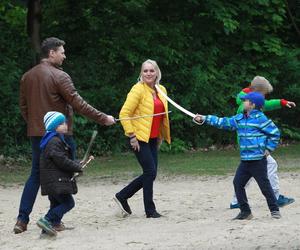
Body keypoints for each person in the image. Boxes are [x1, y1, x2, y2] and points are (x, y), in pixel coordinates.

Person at [14, 37, 115, 234]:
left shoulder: (27, 76)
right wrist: (103, 118)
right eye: (61, 52)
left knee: (36, 174)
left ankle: (21, 220)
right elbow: (79, 104)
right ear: (51, 53)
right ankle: (53, 219)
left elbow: (23, 107)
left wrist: (37, 126)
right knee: (60, 175)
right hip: (61, 135)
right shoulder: (60, 76)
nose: (64, 55)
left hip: (37, 134)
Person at [194, 92, 281, 220]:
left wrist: (269, 148)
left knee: (265, 187)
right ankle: (245, 212)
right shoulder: (239, 118)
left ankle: (274, 210)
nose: (242, 103)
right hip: (245, 161)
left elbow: (275, 133)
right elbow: (223, 122)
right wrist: (205, 118)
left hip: (258, 161)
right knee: (238, 184)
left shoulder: (261, 119)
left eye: (245, 101)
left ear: (252, 104)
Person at [113, 59, 171, 218]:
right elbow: (124, 114)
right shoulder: (137, 90)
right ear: (141, 73)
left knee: (151, 173)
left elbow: (161, 116)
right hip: (138, 137)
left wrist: (160, 136)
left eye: (151, 70)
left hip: (153, 138)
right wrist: (132, 136)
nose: (148, 73)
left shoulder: (161, 90)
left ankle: (123, 196)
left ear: (157, 72)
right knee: (150, 172)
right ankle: (149, 210)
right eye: (145, 71)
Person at [230, 76, 296, 209]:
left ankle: (236, 201)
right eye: (264, 94)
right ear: (257, 92)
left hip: (250, 145)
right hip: (253, 145)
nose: (264, 98)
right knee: (270, 165)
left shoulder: (249, 102)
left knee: (248, 171)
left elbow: (268, 104)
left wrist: (282, 102)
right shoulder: (246, 106)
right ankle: (275, 198)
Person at [36, 111, 83, 236]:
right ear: (53, 126)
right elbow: (62, 161)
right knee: (68, 203)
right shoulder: (54, 141)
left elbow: (61, 158)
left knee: (56, 204)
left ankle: (51, 226)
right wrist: (77, 166)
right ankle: (46, 219)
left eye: (65, 122)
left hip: (52, 182)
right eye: (61, 123)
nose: (65, 125)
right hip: (56, 181)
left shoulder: (52, 140)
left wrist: (77, 163)